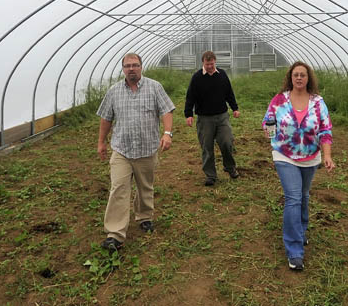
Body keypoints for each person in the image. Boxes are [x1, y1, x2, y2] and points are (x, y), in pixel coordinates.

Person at [96, 53, 175, 252]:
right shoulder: (114, 91)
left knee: (145, 186)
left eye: (135, 65)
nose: (131, 69)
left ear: (141, 67)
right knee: (119, 189)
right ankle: (114, 234)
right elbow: (106, 118)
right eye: (127, 66)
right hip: (122, 149)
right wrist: (101, 142)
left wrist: (167, 133)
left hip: (147, 149)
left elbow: (166, 111)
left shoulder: (154, 87)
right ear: (123, 69)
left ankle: (145, 217)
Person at [262, 61, 334, 271]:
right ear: (290, 78)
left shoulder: (318, 102)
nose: (300, 78)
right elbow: (268, 120)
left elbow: (325, 130)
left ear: (308, 78)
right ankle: (294, 251)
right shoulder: (279, 100)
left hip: (311, 157)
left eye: (303, 75)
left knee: (303, 195)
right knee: (293, 197)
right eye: (296, 75)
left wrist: (327, 155)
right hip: (284, 155)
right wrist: (271, 133)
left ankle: (300, 232)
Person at [184, 51, 241, 186]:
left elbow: (229, 93)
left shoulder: (222, 75)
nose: (210, 66)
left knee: (227, 142)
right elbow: (190, 97)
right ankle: (210, 175)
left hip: (222, 116)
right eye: (207, 64)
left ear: (215, 62)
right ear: (203, 63)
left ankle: (230, 167)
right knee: (207, 147)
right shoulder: (197, 77)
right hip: (204, 119)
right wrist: (189, 114)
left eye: (212, 64)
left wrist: (235, 108)